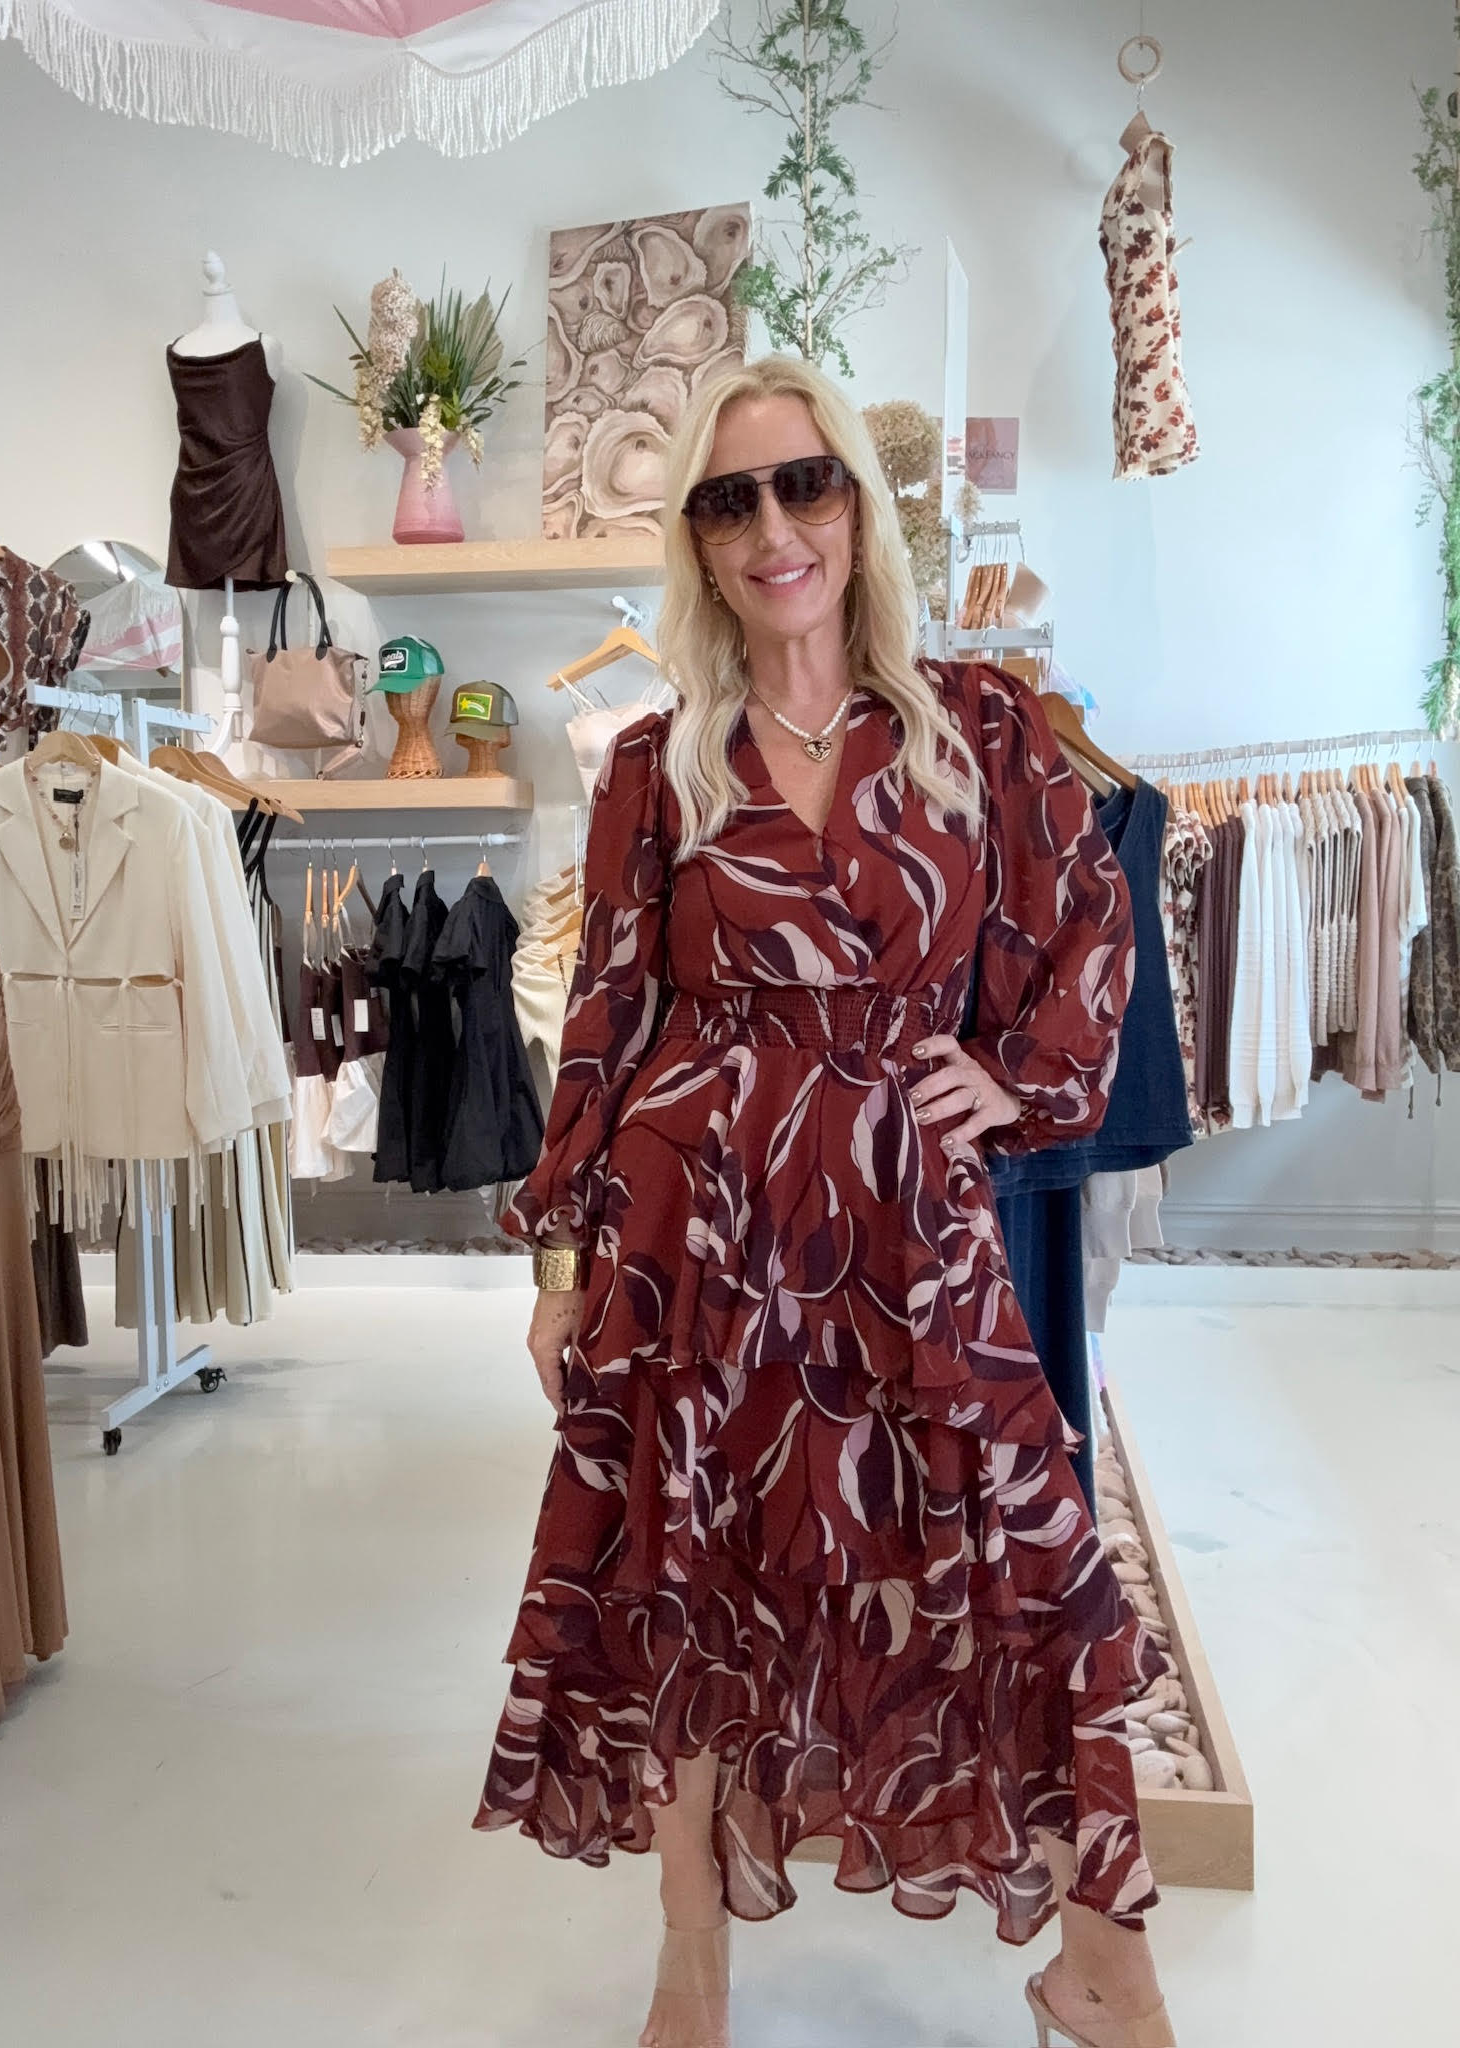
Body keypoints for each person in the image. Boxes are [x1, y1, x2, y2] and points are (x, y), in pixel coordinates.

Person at [474, 354, 1176, 2048]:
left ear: (857, 506)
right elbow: (610, 1016)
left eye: (804, 486)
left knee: (1024, 1573)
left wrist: (1016, 1083)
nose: (774, 528)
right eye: (731, 501)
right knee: (698, 1574)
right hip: (698, 1226)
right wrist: (564, 1256)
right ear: (701, 544)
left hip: (907, 1233)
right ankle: (692, 1963)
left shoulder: (979, 727)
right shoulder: (660, 763)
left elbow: (1097, 923)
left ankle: (1104, 1969)